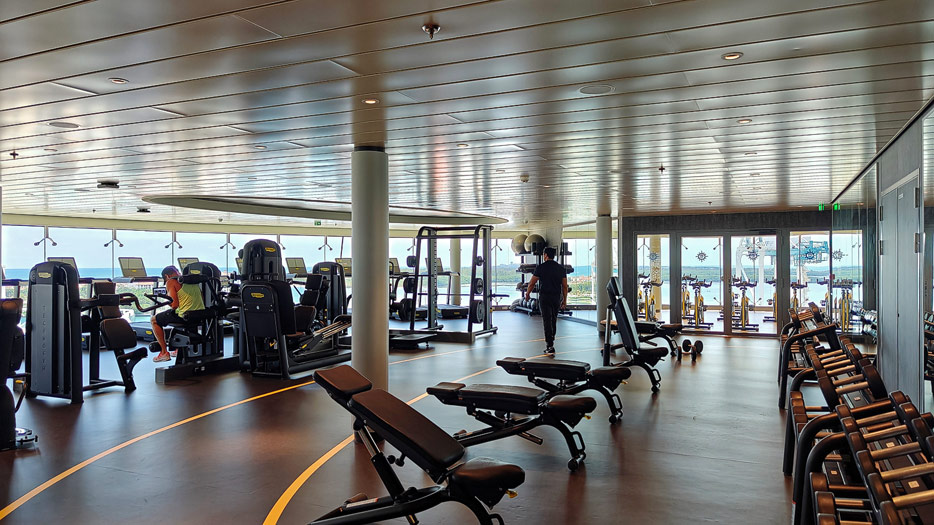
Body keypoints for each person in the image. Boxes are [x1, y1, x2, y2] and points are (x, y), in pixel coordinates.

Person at [151, 266, 205, 363]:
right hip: (199, 315)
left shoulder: (170, 282)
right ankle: (177, 350)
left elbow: (174, 305)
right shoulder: (191, 281)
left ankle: (164, 352)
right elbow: (201, 298)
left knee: (154, 320)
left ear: (167, 276)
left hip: (185, 316)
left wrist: (167, 301)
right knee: (174, 317)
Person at [524, 246, 568, 354]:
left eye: (544, 254)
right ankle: (551, 340)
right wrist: (564, 300)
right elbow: (564, 286)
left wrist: (527, 294)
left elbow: (532, 283)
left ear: (546, 255)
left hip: (545, 297)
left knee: (547, 320)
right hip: (556, 297)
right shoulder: (561, 268)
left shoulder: (541, 267)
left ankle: (550, 345)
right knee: (553, 319)